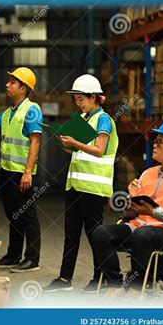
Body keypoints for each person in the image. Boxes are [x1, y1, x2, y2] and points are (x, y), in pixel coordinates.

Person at [91, 118, 163, 295]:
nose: (154, 145)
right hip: (140, 227)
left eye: (160, 142)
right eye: (154, 141)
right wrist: (132, 200)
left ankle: (138, 286)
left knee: (143, 234)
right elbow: (130, 213)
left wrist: (153, 212)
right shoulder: (148, 173)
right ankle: (115, 284)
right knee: (101, 233)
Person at [43, 74, 119, 293]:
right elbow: (77, 151)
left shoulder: (103, 120)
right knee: (71, 234)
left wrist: (74, 141)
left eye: (81, 100)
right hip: (76, 186)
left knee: (96, 235)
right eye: (76, 100)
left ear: (94, 97)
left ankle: (100, 277)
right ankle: (65, 278)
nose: (78, 104)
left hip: (93, 188)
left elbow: (99, 150)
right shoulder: (84, 119)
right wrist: (65, 142)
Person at [0, 67, 43, 273]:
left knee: (27, 215)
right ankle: (13, 255)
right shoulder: (8, 113)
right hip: (6, 171)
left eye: (12, 82)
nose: (7, 84)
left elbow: (35, 142)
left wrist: (28, 171)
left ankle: (32, 259)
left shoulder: (31, 110)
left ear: (23, 88)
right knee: (13, 214)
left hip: (22, 173)